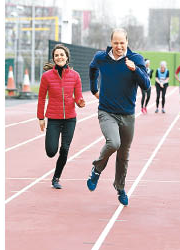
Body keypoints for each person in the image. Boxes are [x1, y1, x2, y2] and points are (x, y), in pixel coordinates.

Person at [87, 28, 150, 206]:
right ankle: (96, 169)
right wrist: (94, 89)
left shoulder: (136, 59)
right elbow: (93, 69)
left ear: (127, 42)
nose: (119, 46)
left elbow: (146, 85)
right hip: (107, 111)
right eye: (116, 43)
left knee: (123, 154)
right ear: (111, 42)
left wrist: (135, 69)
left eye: (122, 43)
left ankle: (120, 187)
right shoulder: (102, 57)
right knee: (113, 143)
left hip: (128, 115)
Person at [37, 44, 85, 189]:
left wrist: (80, 102)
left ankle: (56, 178)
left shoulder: (75, 76)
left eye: (62, 55)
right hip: (53, 118)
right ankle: (54, 164)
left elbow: (78, 96)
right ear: (54, 58)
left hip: (70, 118)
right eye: (56, 55)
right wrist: (40, 118)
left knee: (64, 149)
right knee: (51, 151)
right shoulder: (46, 77)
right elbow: (41, 98)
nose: (59, 57)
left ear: (67, 57)